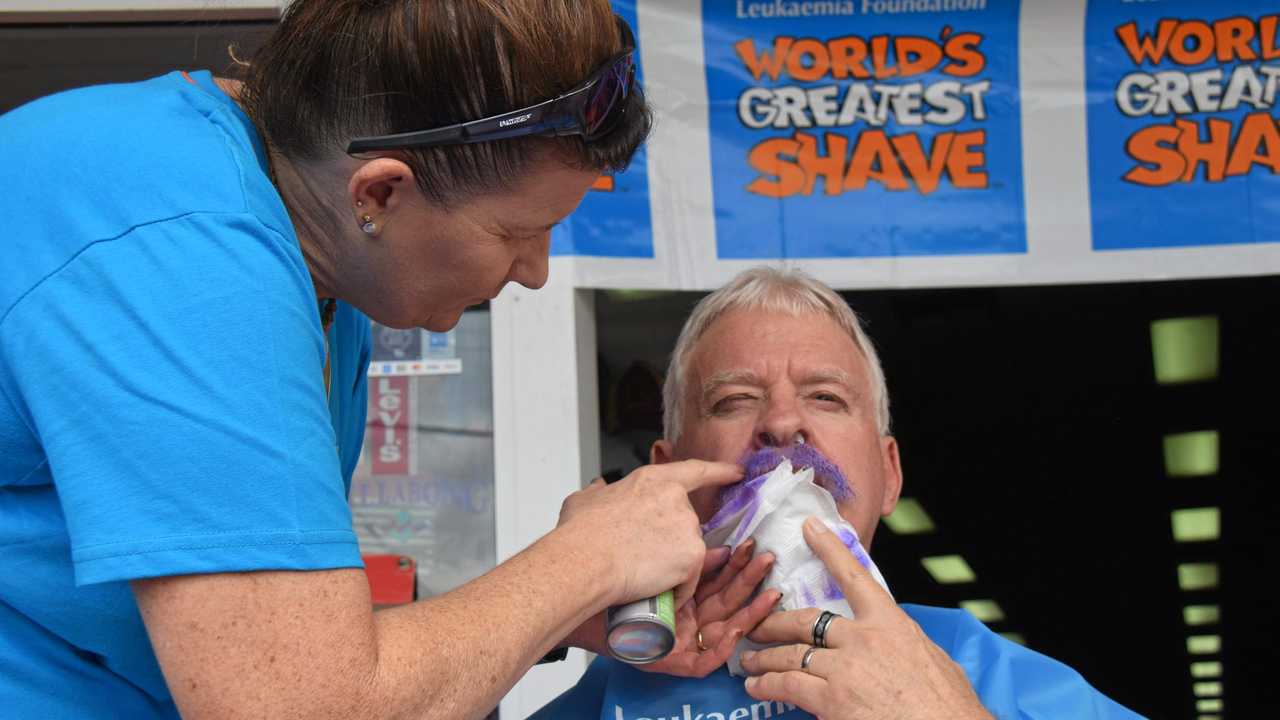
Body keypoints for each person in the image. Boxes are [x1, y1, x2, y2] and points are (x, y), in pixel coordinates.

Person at [0, 3, 767, 718]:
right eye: (515, 232)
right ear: (381, 193)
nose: (533, 271)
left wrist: (553, 614)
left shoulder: (312, 255)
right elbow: (302, 702)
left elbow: (279, 643)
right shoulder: (183, 256)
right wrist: (584, 564)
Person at [533, 267, 1142, 719]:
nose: (782, 422)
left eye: (825, 397)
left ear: (889, 475)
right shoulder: (608, 694)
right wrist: (550, 609)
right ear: (671, 478)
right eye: (734, 401)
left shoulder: (990, 673)